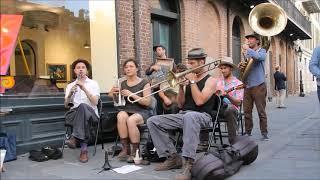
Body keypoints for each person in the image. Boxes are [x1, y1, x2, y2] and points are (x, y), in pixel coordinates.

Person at [147, 48, 218, 180]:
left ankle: (188, 163)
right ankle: (173, 157)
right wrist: (180, 87)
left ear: (202, 62)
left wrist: (192, 82)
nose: (189, 66)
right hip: (185, 114)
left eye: (192, 63)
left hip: (202, 116)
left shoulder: (211, 81)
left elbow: (200, 101)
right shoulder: (190, 79)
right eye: (189, 63)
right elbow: (180, 105)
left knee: (190, 117)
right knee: (153, 121)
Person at [109, 58, 152, 163]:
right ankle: (125, 148)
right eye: (126, 67)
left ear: (137, 68)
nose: (128, 69)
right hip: (127, 109)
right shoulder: (121, 82)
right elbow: (110, 95)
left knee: (131, 120)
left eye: (131, 66)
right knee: (121, 115)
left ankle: (135, 151)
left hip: (142, 111)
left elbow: (147, 102)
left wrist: (131, 94)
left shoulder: (144, 82)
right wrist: (113, 92)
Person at [64, 59, 100, 163]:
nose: (80, 70)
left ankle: (75, 138)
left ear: (87, 70)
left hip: (91, 114)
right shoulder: (70, 86)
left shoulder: (93, 84)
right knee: (81, 112)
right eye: (78, 68)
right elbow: (66, 105)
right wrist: (70, 94)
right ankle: (83, 150)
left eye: (83, 67)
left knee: (83, 107)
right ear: (74, 71)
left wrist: (84, 88)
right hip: (73, 115)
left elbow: (95, 102)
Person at [240, 32, 269, 141]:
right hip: (248, 85)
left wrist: (248, 49)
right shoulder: (248, 52)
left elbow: (258, 57)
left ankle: (264, 132)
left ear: (257, 41)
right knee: (247, 111)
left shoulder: (262, 51)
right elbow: (247, 66)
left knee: (261, 111)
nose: (248, 40)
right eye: (248, 39)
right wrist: (242, 66)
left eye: (251, 39)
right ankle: (248, 132)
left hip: (259, 85)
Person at [216, 57, 244, 144]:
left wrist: (228, 96)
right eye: (221, 68)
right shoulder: (218, 81)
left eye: (225, 68)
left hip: (232, 109)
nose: (223, 71)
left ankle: (233, 142)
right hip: (218, 108)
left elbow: (238, 103)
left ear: (231, 68)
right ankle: (204, 142)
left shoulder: (238, 83)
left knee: (230, 109)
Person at [146, 45, 178, 115]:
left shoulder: (171, 62)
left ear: (164, 50)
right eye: (156, 51)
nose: (157, 52)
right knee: (158, 110)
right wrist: (152, 68)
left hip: (167, 89)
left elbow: (175, 74)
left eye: (159, 50)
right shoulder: (154, 63)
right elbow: (147, 73)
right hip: (157, 88)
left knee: (168, 109)